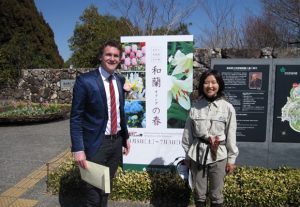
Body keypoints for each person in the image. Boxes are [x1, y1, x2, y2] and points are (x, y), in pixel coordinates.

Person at [70, 40, 131, 207]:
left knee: (105, 189)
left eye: (116, 56)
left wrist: (125, 137)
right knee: (93, 194)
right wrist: (78, 149)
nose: (112, 58)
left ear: (120, 59)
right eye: (108, 55)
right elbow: (76, 117)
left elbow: (120, 111)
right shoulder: (85, 80)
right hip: (95, 144)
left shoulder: (119, 80)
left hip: (116, 142)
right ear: (101, 57)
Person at [182, 69, 239, 207]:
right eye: (206, 83)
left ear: (219, 84)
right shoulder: (195, 108)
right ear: (202, 85)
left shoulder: (228, 108)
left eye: (213, 82)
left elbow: (231, 135)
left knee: (216, 195)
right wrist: (187, 156)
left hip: (219, 155)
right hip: (197, 155)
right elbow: (188, 134)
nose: (210, 86)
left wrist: (231, 159)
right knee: (199, 194)